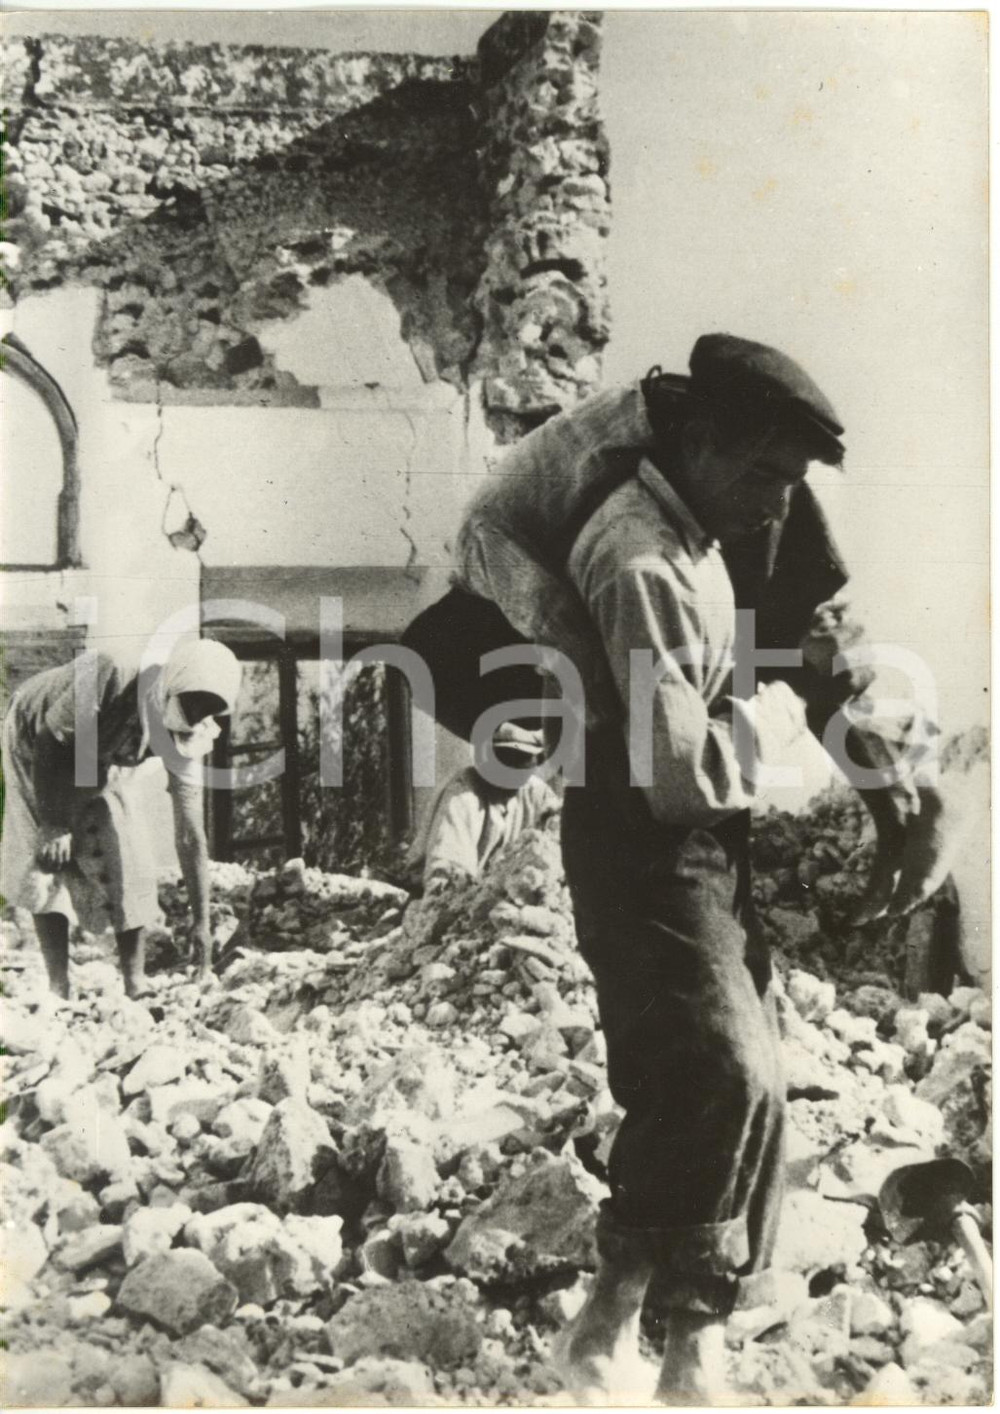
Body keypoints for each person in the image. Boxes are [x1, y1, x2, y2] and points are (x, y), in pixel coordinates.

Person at [453, 333, 959, 1403]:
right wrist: (796, 781)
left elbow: (811, 642)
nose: (777, 510)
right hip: (641, 839)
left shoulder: (710, 522)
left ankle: (685, 1335)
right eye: (763, 478)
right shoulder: (636, 551)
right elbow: (677, 775)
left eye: (790, 483)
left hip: (690, 837)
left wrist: (886, 782)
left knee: (748, 1084)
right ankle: (615, 1312)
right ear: (695, 441)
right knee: (723, 1069)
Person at [1, 637, 242, 1000]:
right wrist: (54, 824)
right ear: (171, 686)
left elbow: (191, 835)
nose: (194, 716)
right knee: (50, 856)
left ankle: (135, 983)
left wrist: (202, 924)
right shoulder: (109, 676)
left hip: (105, 752)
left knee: (126, 851)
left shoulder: (194, 736)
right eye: (191, 703)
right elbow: (51, 743)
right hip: (36, 739)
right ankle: (58, 985)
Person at [411, 721, 559, 892]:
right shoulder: (464, 791)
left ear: (538, 760)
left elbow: (558, 841)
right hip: (464, 897)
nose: (509, 768)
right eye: (503, 758)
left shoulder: (538, 793)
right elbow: (448, 867)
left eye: (520, 759)